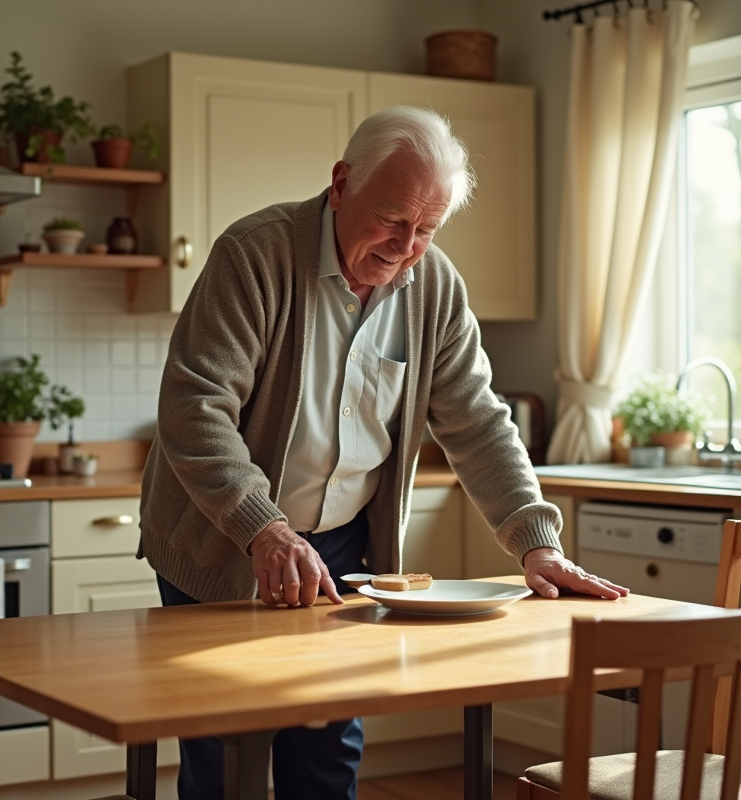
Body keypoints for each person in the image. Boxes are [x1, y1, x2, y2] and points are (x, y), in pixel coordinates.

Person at [137, 105, 629, 800]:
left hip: (342, 546)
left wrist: (535, 542)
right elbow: (194, 409)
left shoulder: (435, 289)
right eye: (393, 220)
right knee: (224, 749)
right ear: (340, 184)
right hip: (224, 537)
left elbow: (478, 423)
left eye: (427, 229)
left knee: (328, 745)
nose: (406, 247)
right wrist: (265, 530)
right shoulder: (256, 255)